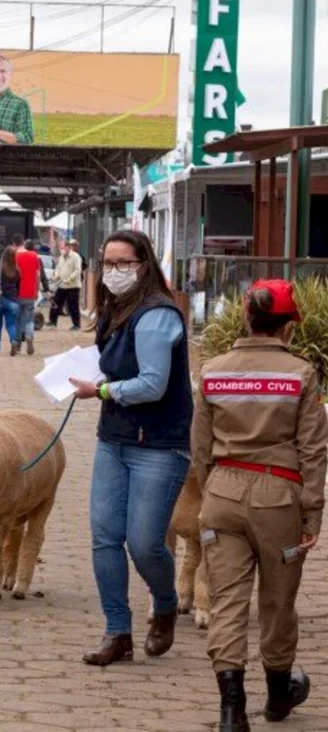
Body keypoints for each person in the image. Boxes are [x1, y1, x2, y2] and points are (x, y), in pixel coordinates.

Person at [191, 280, 328, 731]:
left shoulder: (213, 370)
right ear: (289, 327)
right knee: (277, 600)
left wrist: (213, 492)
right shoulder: (301, 374)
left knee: (227, 601)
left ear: (246, 318)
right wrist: (312, 513)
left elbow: (200, 447)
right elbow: (313, 450)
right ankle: (276, 698)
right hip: (279, 497)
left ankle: (231, 711)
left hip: (223, 492)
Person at [69, 229, 192, 668]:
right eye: (108, 263)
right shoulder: (113, 311)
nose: (115, 272)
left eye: (124, 264)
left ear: (144, 265)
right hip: (114, 440)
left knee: (144, 543)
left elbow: (153, 384)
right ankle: (116, 631)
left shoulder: (159, 314)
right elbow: (117, 370)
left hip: (159, 444)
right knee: (104, 536)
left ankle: (165, 601)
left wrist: (101, 391)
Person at [16, 238, 49, 354]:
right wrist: (36, 290)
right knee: (29, 319)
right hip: (30, 293)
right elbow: (38, 275)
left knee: (18, 319)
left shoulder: (17, 256)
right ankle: (29, 336)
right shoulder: (35, 257)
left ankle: (18, 345)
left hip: (18, 292)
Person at [0, 245, 21, 356]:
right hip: (12, 301)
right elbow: (18, 287)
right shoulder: (17, 271)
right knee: (11, 324)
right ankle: (13, 341)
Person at [50, 240, 83, 331]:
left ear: (68, 247)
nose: (61, 250)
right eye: (60, 248)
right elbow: (58, 268)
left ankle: (76, 324)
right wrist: (56, 276)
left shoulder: (75, 257)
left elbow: (77, 270)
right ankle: (52, 321)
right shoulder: (61, 257)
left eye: (63, 248)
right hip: (62, 285)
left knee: (73, 305)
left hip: (73, 286)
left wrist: (69, 279)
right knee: (55, 302)